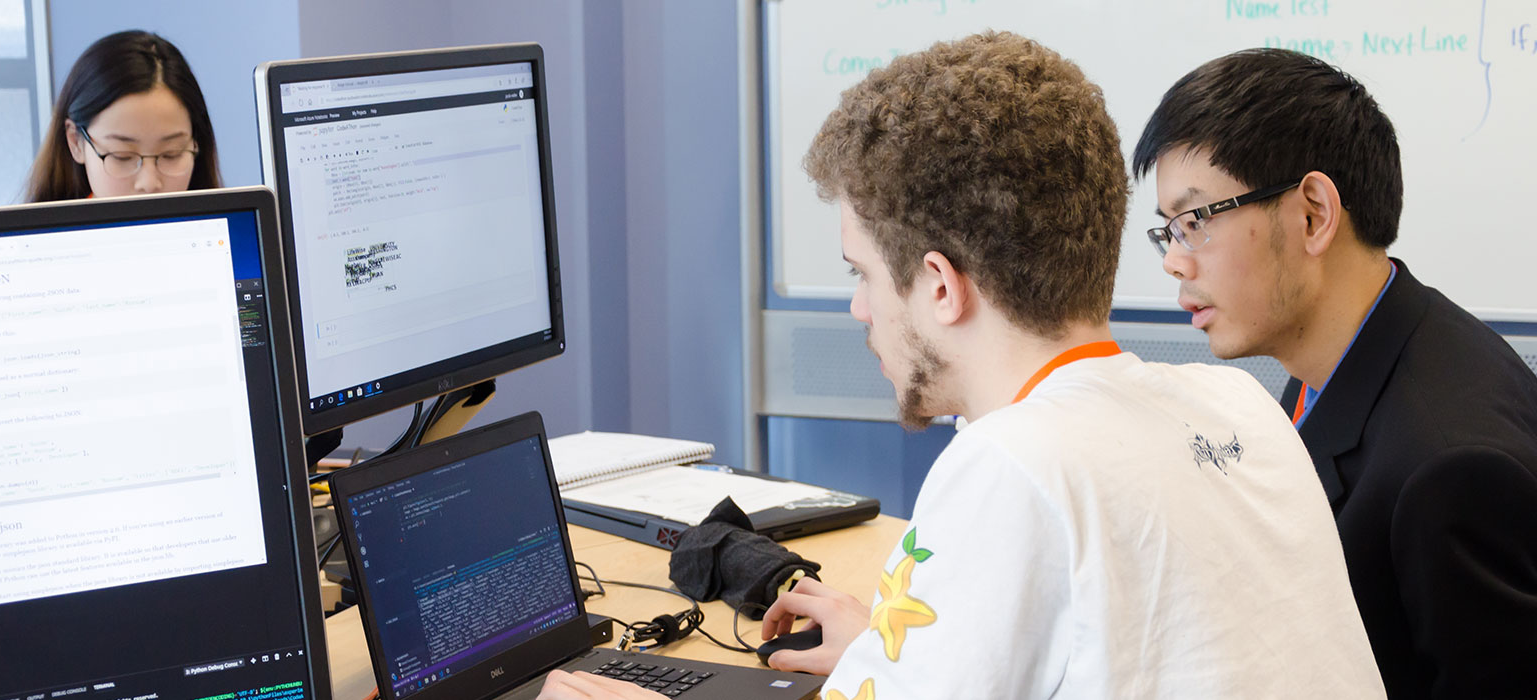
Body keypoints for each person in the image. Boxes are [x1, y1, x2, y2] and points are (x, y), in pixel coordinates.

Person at [538, 32, 1382, 699]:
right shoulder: (1239, 403)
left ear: (940, 286)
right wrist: (892, 649)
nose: (860, 310)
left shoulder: (1011, 465)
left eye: (863, 274)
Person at [1133, 48, 1537, 700]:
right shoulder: (1344, 351)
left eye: (1196, 220)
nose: (1174, 263)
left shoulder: (1449, 469)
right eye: (1168, 231)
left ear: (1314, 214)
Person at [24, 30, 220, 202]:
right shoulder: (36, 241)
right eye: (122, 156)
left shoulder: (236, 230)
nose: (149, 184)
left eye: (172, 154)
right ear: (75, 142)